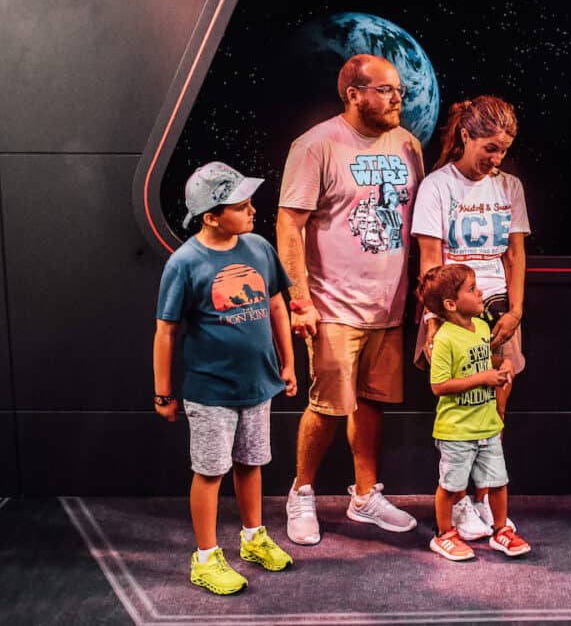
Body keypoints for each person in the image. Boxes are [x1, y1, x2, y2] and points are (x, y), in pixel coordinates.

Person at [278, 54, 424, 545]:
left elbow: (416, 223)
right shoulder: (316, 145)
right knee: (327, 405)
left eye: (398, 89)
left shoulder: (408, 145)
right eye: (385, 90)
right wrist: (301, 300)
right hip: (333, 305)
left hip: (389, 305)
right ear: (354, 94)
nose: (397, 97)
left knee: (373, 403)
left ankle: (364, 496)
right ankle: (301, 493)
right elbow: (289, 225)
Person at [153, 161, 297, 595]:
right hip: (211, 391)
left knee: (251, 463)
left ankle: (253, 538)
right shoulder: (185, 263)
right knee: (211, 471)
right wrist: (163, 394)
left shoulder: (258, 248)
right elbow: (166, 331)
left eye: (250, 203)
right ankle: (205, 557)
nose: (252, 212)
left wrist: (287, 364)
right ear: (211, 215)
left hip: (257, 385)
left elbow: (276, 307)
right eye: (241, 206)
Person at [411, 95, 529, 540]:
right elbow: (429, 259)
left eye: (503, 150)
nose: (496, 159)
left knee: (493, 407)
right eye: (490, 148)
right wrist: (441, 322)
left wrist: (515, 311)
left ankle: (486, 499)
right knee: (457, 408)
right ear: (466, 135)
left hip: (496, 307)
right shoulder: (438, 186)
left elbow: (515, 254)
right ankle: (457, 501)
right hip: (451, 310)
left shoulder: (509, 187)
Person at [416, 263, 531, 560]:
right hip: (456, 431)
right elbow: (439, 386)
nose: (480, 292)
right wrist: (483, 379)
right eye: (471, 289)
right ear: (451, 304)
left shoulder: (481, 327)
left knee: (498, 481)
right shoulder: (444, 339)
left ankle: (501, 529)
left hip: (487, 426)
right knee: (451, 485)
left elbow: (484, 359)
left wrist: (501, 365)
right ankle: (445, 535)